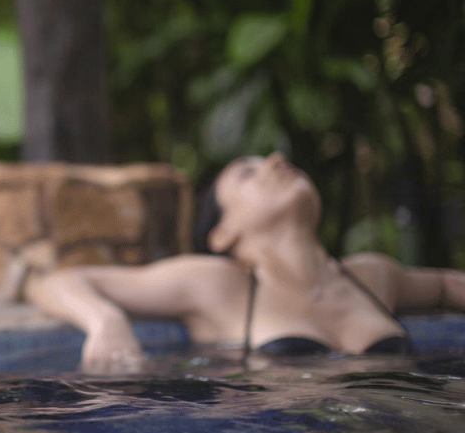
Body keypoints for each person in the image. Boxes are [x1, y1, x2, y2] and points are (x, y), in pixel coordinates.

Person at [26, 152, 465, 374]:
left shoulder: (371, 275)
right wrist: (104, 321)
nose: (276, 161)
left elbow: (446, 285)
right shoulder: (218, 284)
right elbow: (57, 282)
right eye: (247, 172)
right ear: (223, 234)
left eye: (270, 160)